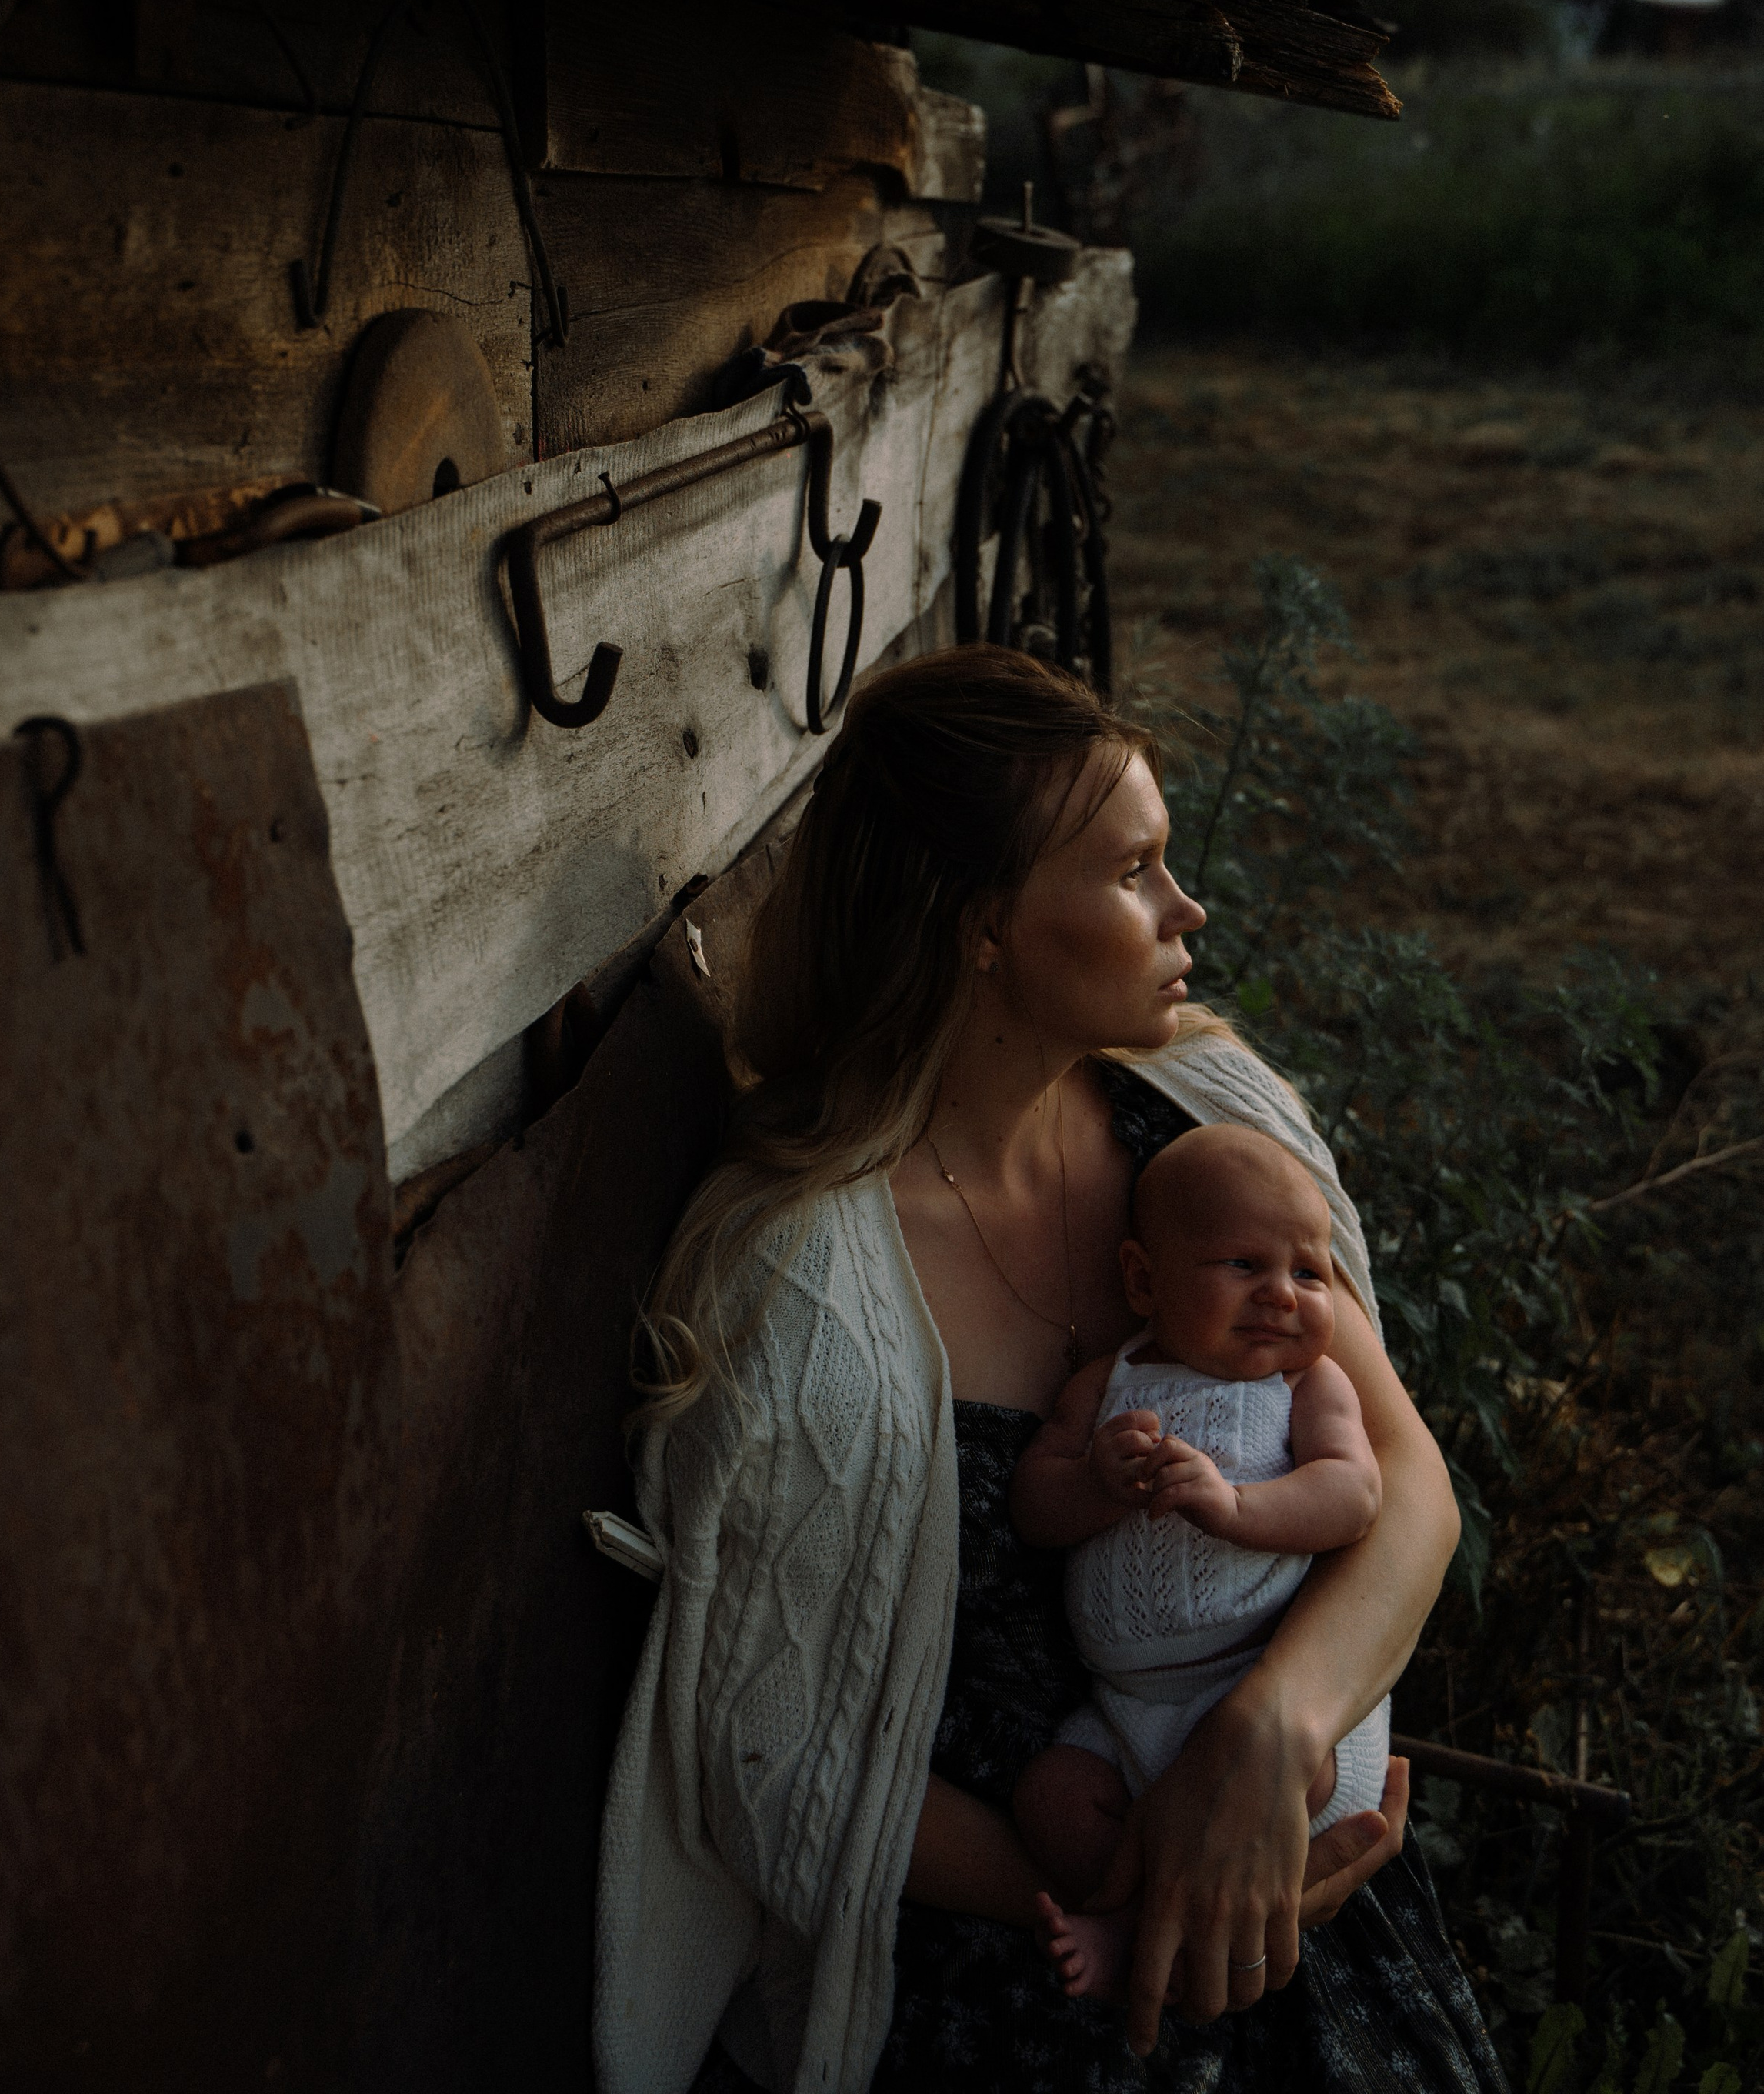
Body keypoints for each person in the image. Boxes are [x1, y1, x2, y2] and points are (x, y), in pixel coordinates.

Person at [595, 648, 1503, 2094]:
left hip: (1284, 1868)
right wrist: (1152, 1897)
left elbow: (1408, 1494)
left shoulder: (1202, 1121)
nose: (1186, 909)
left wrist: (1274, 1743)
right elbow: (776, 1764)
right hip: (1018, 1967)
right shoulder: (802, 1278)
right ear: (985, 930)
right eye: (1135, 871)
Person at [1009, 1125, 1390, 2005]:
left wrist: (1236, 1507)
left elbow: (1353, 1495)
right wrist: (1097, 1485)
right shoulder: (1109, 1381)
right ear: (1144, 1280)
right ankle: (1129, 1915)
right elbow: (1035, 1502)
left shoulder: (1306, 1385)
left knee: (1316, 1779)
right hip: (1129, 1705)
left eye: (1308, 1271)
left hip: (1258, 1683)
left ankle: (1147, 1936)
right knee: (1051, 1798)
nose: (1282, 1296)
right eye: (1243, 1266)